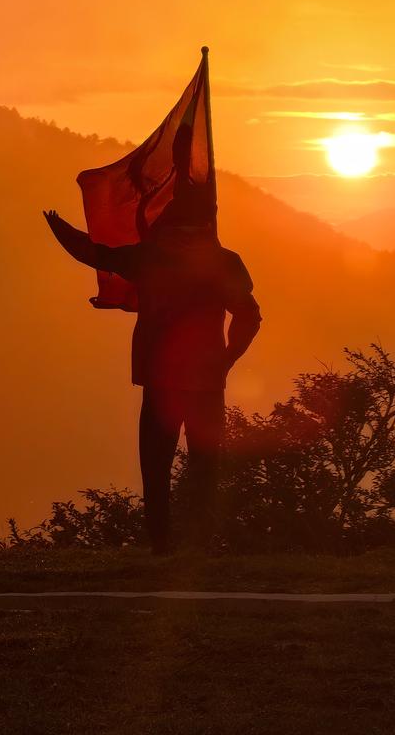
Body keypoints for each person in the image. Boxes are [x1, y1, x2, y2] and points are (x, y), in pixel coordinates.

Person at [42, 199, 261, 554]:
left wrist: (64, 233)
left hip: (162, 381)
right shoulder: (223, 263)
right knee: (204, 469)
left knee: (157, 468)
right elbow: (249, 315)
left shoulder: (150, 258)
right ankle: (198, 545)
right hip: (204, 382)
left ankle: (162, 544)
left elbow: (99, 255)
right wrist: (225, 360)